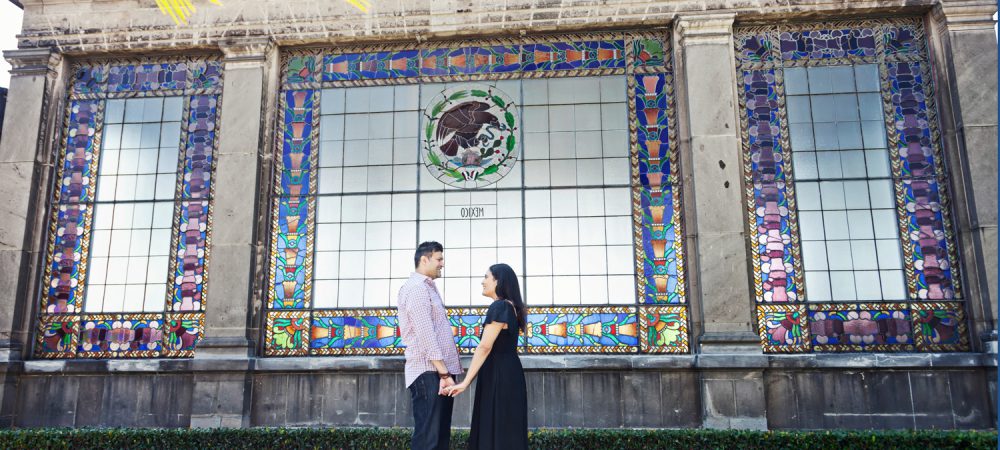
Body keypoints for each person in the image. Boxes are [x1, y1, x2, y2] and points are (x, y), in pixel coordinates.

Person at [443, 263, 528, 450]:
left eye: (486, 277)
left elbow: (484, 347)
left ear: (498, 281)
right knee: (507, 430)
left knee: (494, 428)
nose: (483, 281)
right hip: (508, 373)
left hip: (499, 376)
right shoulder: (510, 307)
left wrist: (465, 383)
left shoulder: (500, 306)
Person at [397, 241, 462, 450]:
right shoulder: (416, 289)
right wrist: (444, 373)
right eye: (439, 259)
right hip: (429, 372)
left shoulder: (427, 287)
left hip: (439, 373)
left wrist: (445, 373)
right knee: (428, 439)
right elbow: (425, 334)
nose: (442, 263)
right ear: (424, 260)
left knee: (439, 438)